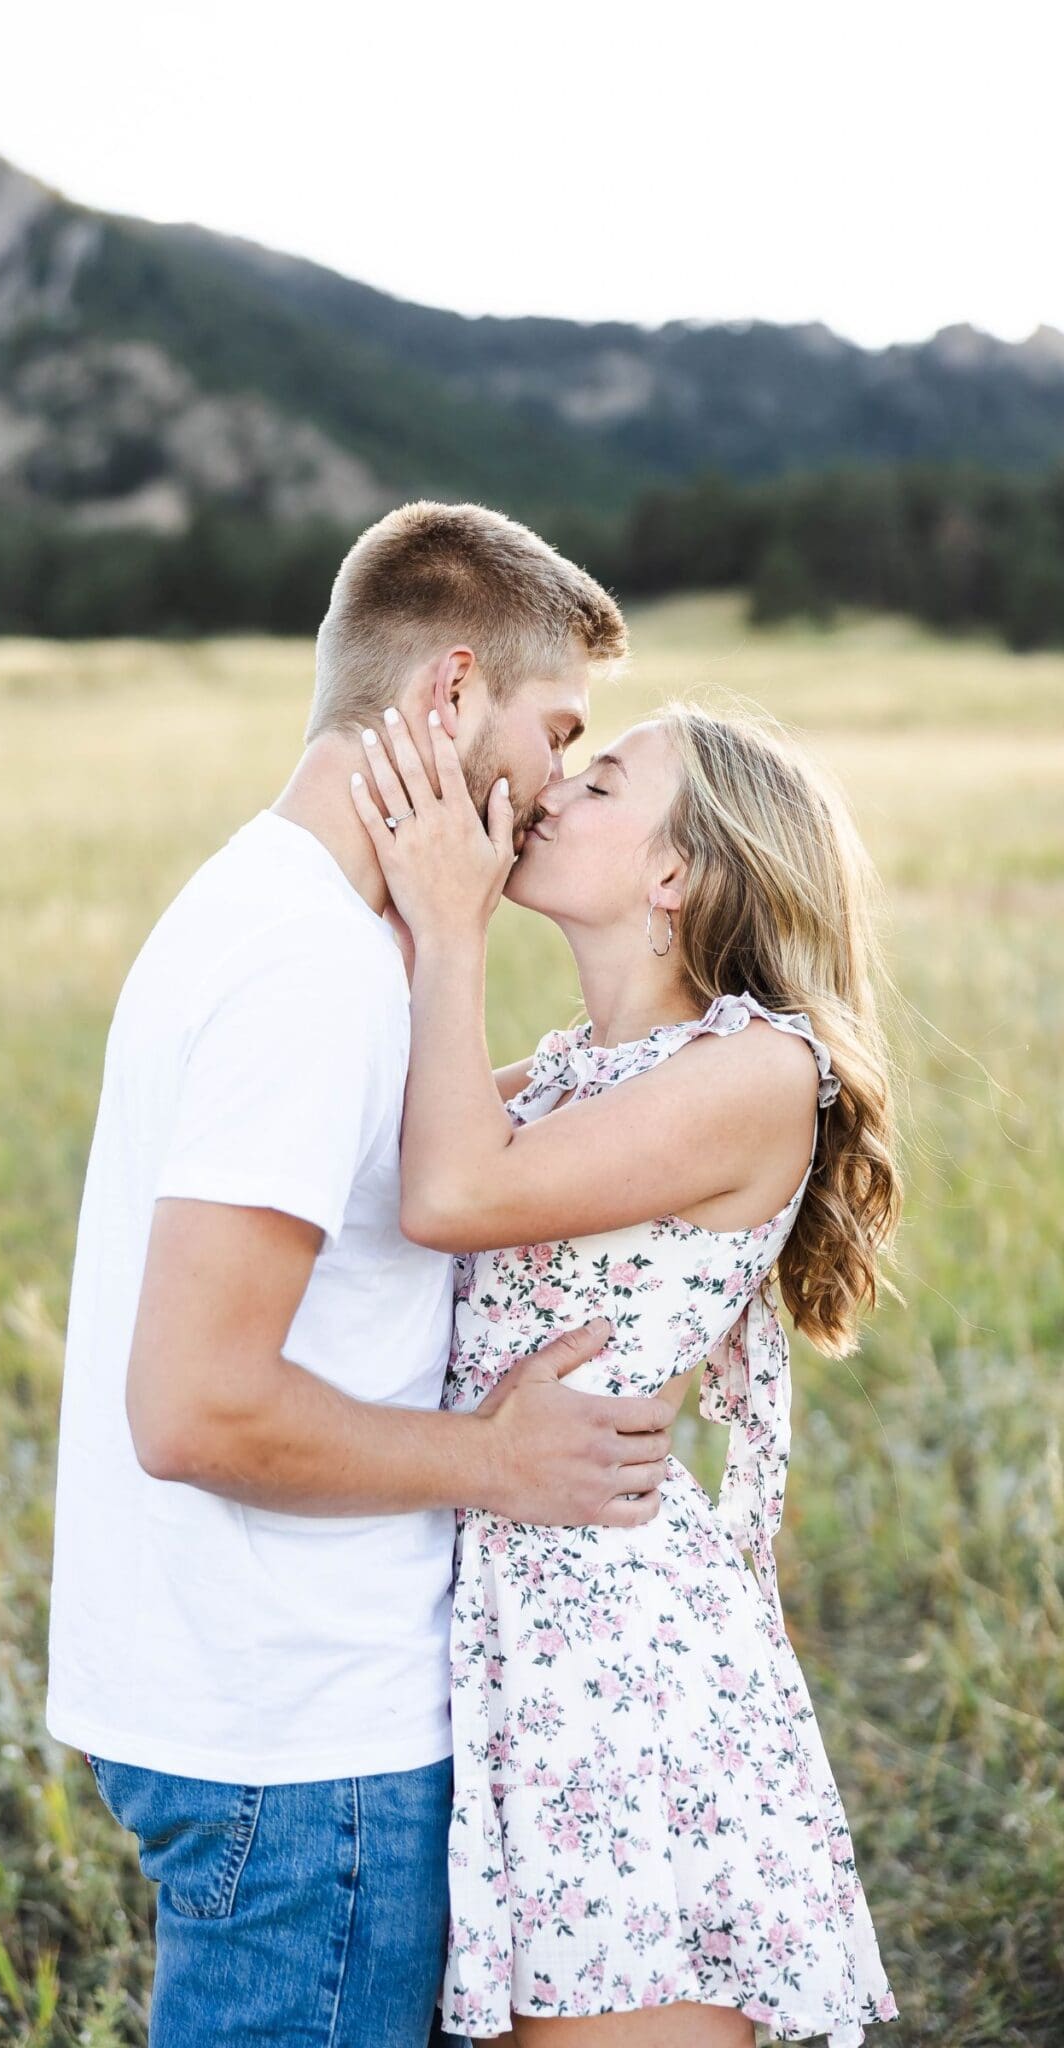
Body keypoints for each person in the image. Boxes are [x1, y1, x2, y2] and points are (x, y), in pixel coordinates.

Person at [45, 502, 680, 2045]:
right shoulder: (308, 968)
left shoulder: (292, 913)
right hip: (299, 1730)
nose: (548, 786)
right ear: (451, 693)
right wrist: (496, 1460)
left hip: (254, 1693)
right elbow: (193, 1406)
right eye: (557, 730)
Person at [351, 698, 898, 2042]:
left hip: (617, 1655)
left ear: (675, 874)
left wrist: (451, 929)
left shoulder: (760, 1070)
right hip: (503, 1615)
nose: (555, 795)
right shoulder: (563, 1075)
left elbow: (450, 1194)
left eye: (601, 787)